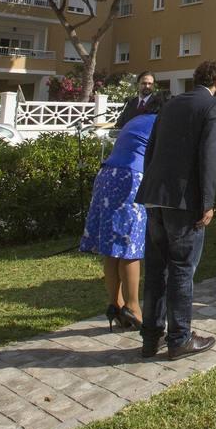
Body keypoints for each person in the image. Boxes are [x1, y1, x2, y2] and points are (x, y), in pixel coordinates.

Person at [134, 59, 216, 359]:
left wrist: (150, 190)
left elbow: (151, 149)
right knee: (182, 269)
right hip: (185, 201)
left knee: (156, 269)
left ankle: (151, 338)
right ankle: (179, 339)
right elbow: (209, 155)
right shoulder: (213, 107)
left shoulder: (170, 104)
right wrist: (208, 202)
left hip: (154, 196)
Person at [78, 113, 153, 332]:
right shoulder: (160, 121)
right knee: (130, 245)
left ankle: (115, 303)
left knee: (112, 247)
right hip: (129, 178)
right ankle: (133, 307)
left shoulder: (134, 121)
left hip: (106, 176)